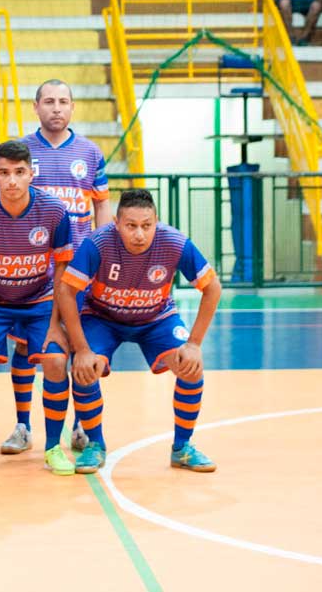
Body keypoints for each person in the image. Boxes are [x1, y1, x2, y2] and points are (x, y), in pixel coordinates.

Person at [57, 189, 222, 474]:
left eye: (146, 225)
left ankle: (182, 447)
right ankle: (94, 444)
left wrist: (194, 344)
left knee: (192, 367)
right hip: (102, 317)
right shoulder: (97, 244)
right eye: (131, 226)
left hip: (156, 318)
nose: (139, 234)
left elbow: (212, 288)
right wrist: (81, 348)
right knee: (84, 368)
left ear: (156, 222)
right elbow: (66, 291)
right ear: (116, 223)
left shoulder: (174, 242)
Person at [0, 140, 74, 477]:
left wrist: (56, 323)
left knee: (54, 359)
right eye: (5, 173)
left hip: (39, 300)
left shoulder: (54, 211)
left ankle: (53, 447)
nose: (12, 181)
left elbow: (63, 270)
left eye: (19, 173)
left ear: (31, 174)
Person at [19, 78, 111, 454]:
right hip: (32, 268)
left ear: (72, 108)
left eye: (63, 102)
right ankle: (22, 425)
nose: (56, 108)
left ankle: (80, 425)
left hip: (79, 267)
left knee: (79, 344)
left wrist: (104, 251)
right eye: (49, 101)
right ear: (36, 107)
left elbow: (102, 204)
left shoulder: (90, 153)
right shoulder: (22, 151)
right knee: (28, 346)